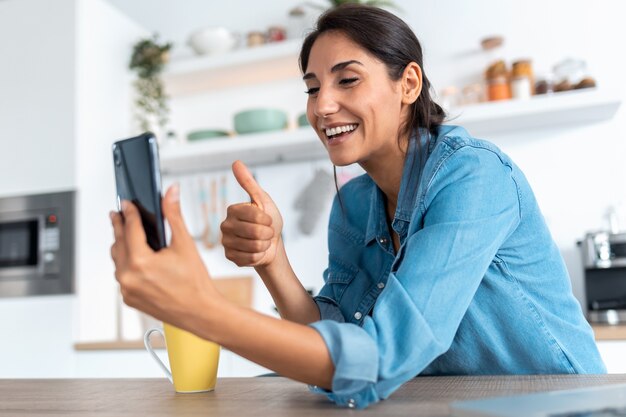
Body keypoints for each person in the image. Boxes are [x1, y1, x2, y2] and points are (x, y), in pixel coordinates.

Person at [110, 4, 606, 410]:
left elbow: (380, 356)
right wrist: (271, 260)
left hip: (563, 405)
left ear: (408, 84)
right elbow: (337, 346)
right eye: (311, 87)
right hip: (457, 406)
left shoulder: (474, 176)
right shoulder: (353, 203)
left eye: (347, 80)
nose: (322, 106)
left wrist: (201, 311)